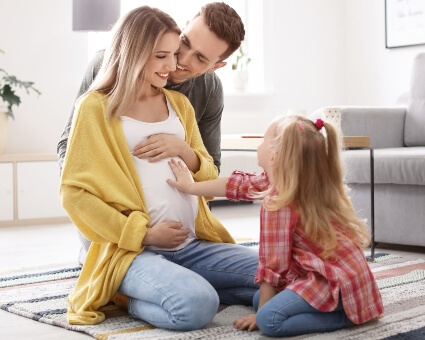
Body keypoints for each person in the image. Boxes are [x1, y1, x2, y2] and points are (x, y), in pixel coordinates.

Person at [60, 6, 258, 330]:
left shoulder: (184, 103)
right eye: (171, 51)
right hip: (131, 245)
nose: (177, 62)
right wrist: (112, 235)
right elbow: (74, 184)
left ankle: (176, 282)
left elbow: (209, 170)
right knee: (198, 304)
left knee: (276, 273)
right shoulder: (97, 102)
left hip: (191, 243)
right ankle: (121, 290)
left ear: (215, 67)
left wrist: (184, 151)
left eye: (199, 58)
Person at [167, 115, 384, 337]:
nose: (258, 145)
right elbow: (237, 185)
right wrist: (190, 187)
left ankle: (348, 314)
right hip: (342, 275)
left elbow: (273, 265)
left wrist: (261, 312)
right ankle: (345, 306)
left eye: (263, 140)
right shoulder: (292, 181)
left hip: (333, 283)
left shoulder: (278, 203)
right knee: (257, 297)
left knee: (268, 319)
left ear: (274, 156)